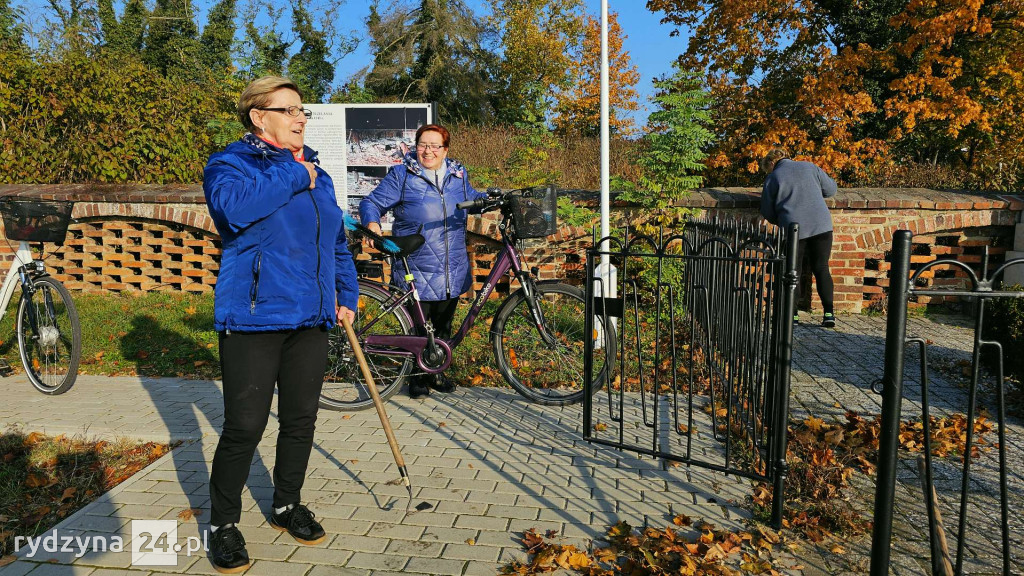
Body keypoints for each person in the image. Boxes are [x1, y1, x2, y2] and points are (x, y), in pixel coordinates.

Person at [203, 76, 359, 573]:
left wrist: (346, 293)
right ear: (258, 116)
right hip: (254, 317)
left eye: (302, 111)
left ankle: (287, 503)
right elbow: (232, 212)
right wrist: (295, 175)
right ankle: (224, 524)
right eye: (289, 110)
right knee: (243, 427)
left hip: (310, 316)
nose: (300, 119)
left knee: (300, 421)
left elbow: (334, 239)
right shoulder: (230, 164)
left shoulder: (317, 171)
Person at [359, 124, 488, 398]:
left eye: (434, 146)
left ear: (445, 150)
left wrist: (490, 198)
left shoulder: (458, 175)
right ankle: (416, 378)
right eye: (422, 145)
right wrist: (371, 223)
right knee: (419, 326)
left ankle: (436, 373)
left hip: (451, 266)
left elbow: (473, 198)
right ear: (415, 147)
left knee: (443, 326)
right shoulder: (402, 175)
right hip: (417, 263)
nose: (428, 151)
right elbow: (371, 202)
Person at [759, 148, 839, 328]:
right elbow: (831, 189)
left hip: (794, 229)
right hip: (822, 226)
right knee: (821, 268)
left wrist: (781, 218)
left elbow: (767, 211)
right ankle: (828, 314)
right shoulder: (810, 167)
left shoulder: (772, 178)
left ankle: (793, 315)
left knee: (793, 271)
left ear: (772, 163)